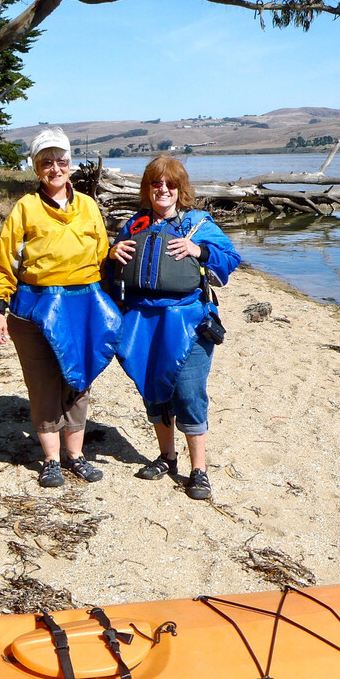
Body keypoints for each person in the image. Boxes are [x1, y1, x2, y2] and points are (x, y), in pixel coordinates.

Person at [0, 127, 121, 488]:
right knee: (44, 384)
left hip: (84, 304)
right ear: (36, 168)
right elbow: (3, 264)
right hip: (34, 309)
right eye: (47, 162)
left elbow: (101, 257)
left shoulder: (89, 206)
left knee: (78, 380)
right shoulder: (25, 208)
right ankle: (51, 460)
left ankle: (76, 456)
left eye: (61, 160)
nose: (55, 168)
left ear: (71, 164)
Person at [107, 156, 241, 500]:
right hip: (141, 320)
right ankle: (167, 458)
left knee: (188, 392)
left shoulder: (197, 223)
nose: (163, 189)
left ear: (181, 189)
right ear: (147, 188)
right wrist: (112, 254)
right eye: (156, 183)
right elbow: (111, 273)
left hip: (187, 320)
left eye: (170, 184)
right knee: (152, 388)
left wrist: (200, 249)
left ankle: (199, 470)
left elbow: (230, 258)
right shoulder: (135, 225)